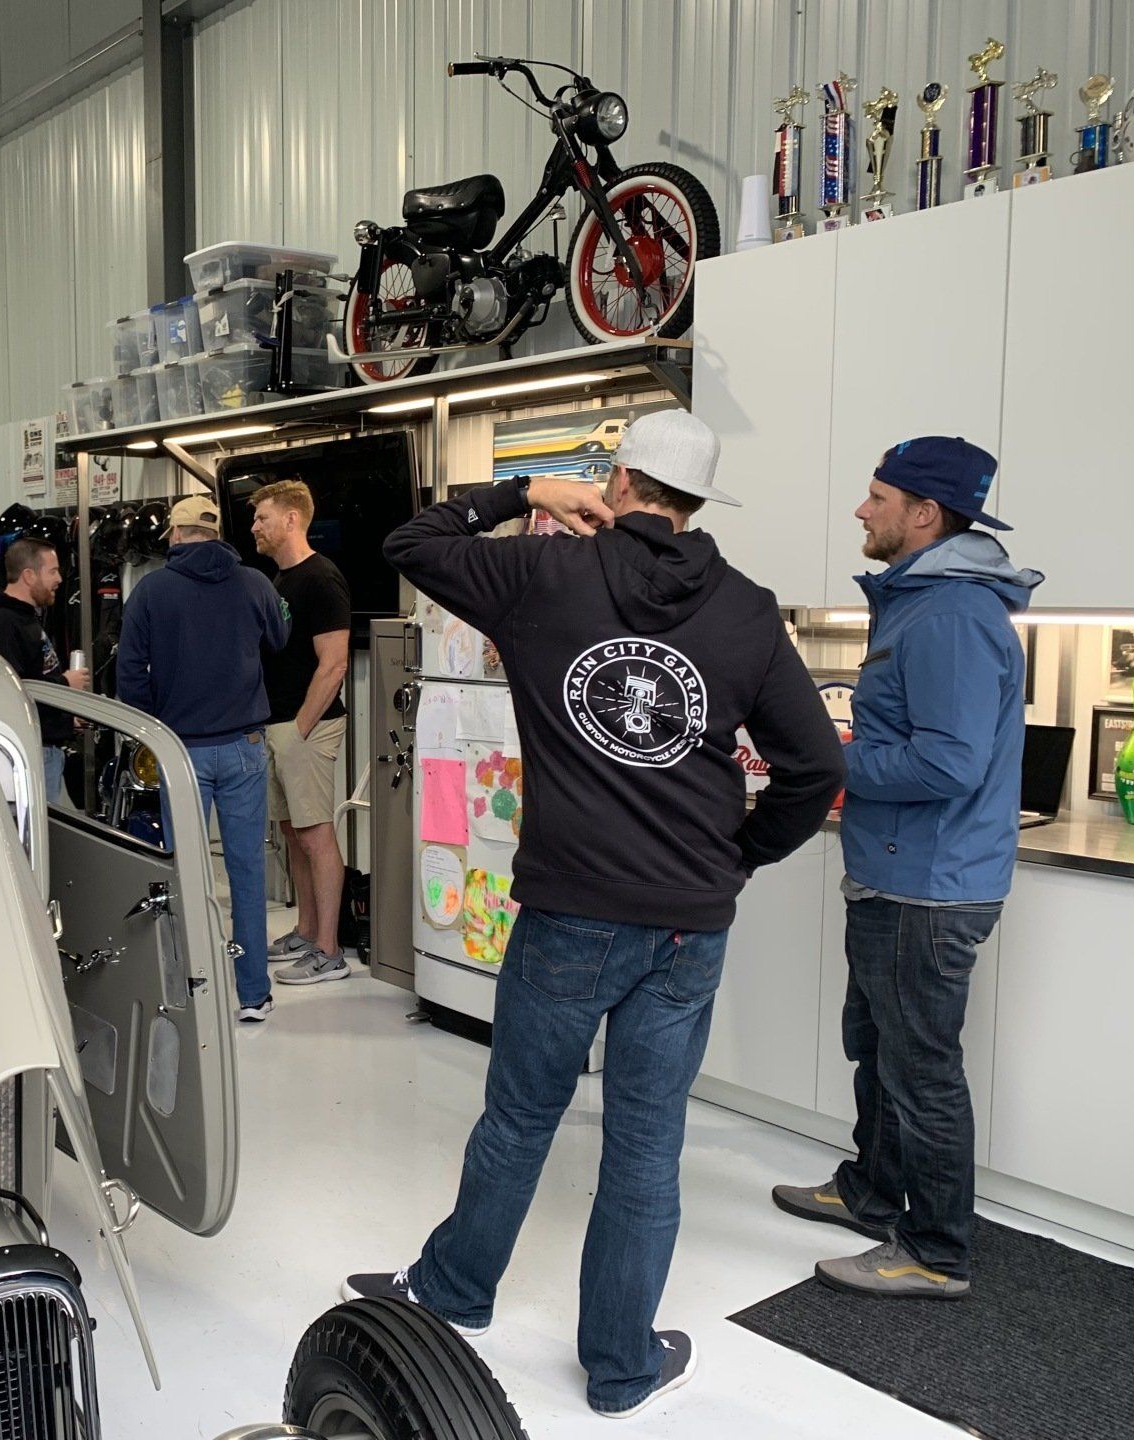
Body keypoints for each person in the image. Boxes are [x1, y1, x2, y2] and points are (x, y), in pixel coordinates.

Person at [342, 410, 845, 1418]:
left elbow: (408, 545)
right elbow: (819, 765)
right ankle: (621, 1366)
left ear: (616, 482)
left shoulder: (546, 578)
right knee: (648, 1143)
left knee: (522, 1114)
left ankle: (454, 1293)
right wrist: (738, 856)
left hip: (569, 911)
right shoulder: (747, 610)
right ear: (698, 503)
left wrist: (524, 494)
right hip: (687, 925)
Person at [774, 437, 1040, 1300]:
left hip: (930, 886)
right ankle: (871, 1192)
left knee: (920, 1070)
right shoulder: (919, 602)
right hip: (895, 874)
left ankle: (935, 1251)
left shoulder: (952, 616)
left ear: (924, 515)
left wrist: (832, 761)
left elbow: (949, 764)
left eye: (877, 496)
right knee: (878, 1049)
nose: (861, 509)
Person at [117, 496, 290, 1022]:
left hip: (181, 749)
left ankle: (189, 990)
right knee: (245, 873)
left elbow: (129, 674)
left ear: (175, 534)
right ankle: (253, 995)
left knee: (185, 872)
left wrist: (153, 731)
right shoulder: (256, 583)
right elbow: (280, 638)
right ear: (217, 534)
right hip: (246, 746)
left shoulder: (150, 590)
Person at [247, 479, 355, 985]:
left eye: (262, 518)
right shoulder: (279, 579)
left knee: (315, 835)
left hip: (306, 728)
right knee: (293, 832)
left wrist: (298, 729)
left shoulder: (321, 578)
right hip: (280, 724)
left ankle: (330, 952)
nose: (255, 527)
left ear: (291, 519)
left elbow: (333, 665)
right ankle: (307, 931)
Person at [0, 535, 89, 800]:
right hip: (29, 753)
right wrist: (66, 684)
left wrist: (64, 720)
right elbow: (9, 692)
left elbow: (33, 678)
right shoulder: (2, 624)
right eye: (53, 571)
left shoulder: (26, 619)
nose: (59, 579)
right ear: (28, 575)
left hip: (44, 747)